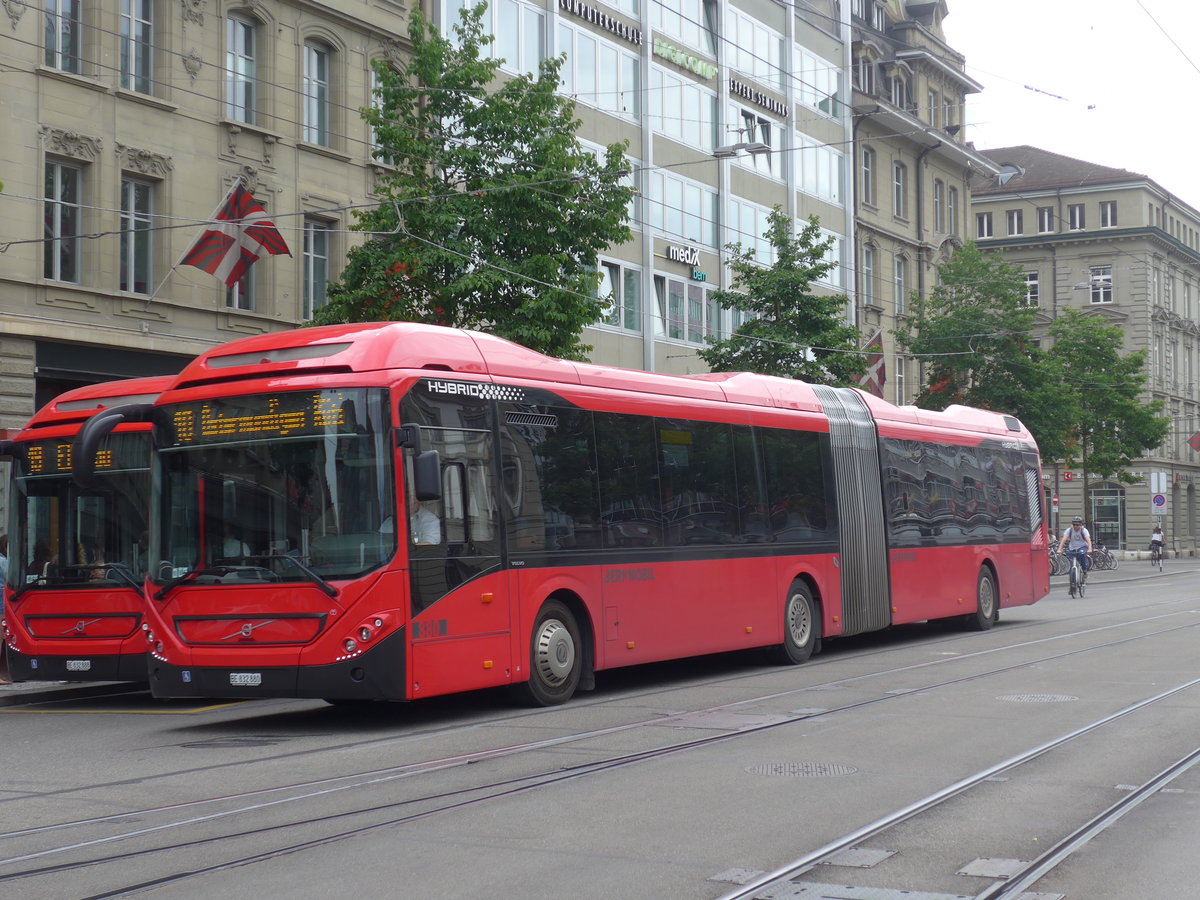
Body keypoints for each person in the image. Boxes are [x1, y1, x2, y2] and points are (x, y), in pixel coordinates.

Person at [1058, 515, 1092, 597]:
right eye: (1074, 525)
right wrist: (1060, 549)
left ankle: (1084, 572)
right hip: (1072, 548)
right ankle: (1072, 586)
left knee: (1082, 556)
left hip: (1082, 547)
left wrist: (1090, 548)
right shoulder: (1069, 530)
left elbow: (1088, 540)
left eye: (1077, 525)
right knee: (1071, 567)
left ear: (1080, 525)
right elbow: (1064, 539)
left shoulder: (1084, 531)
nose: (1076, 526)